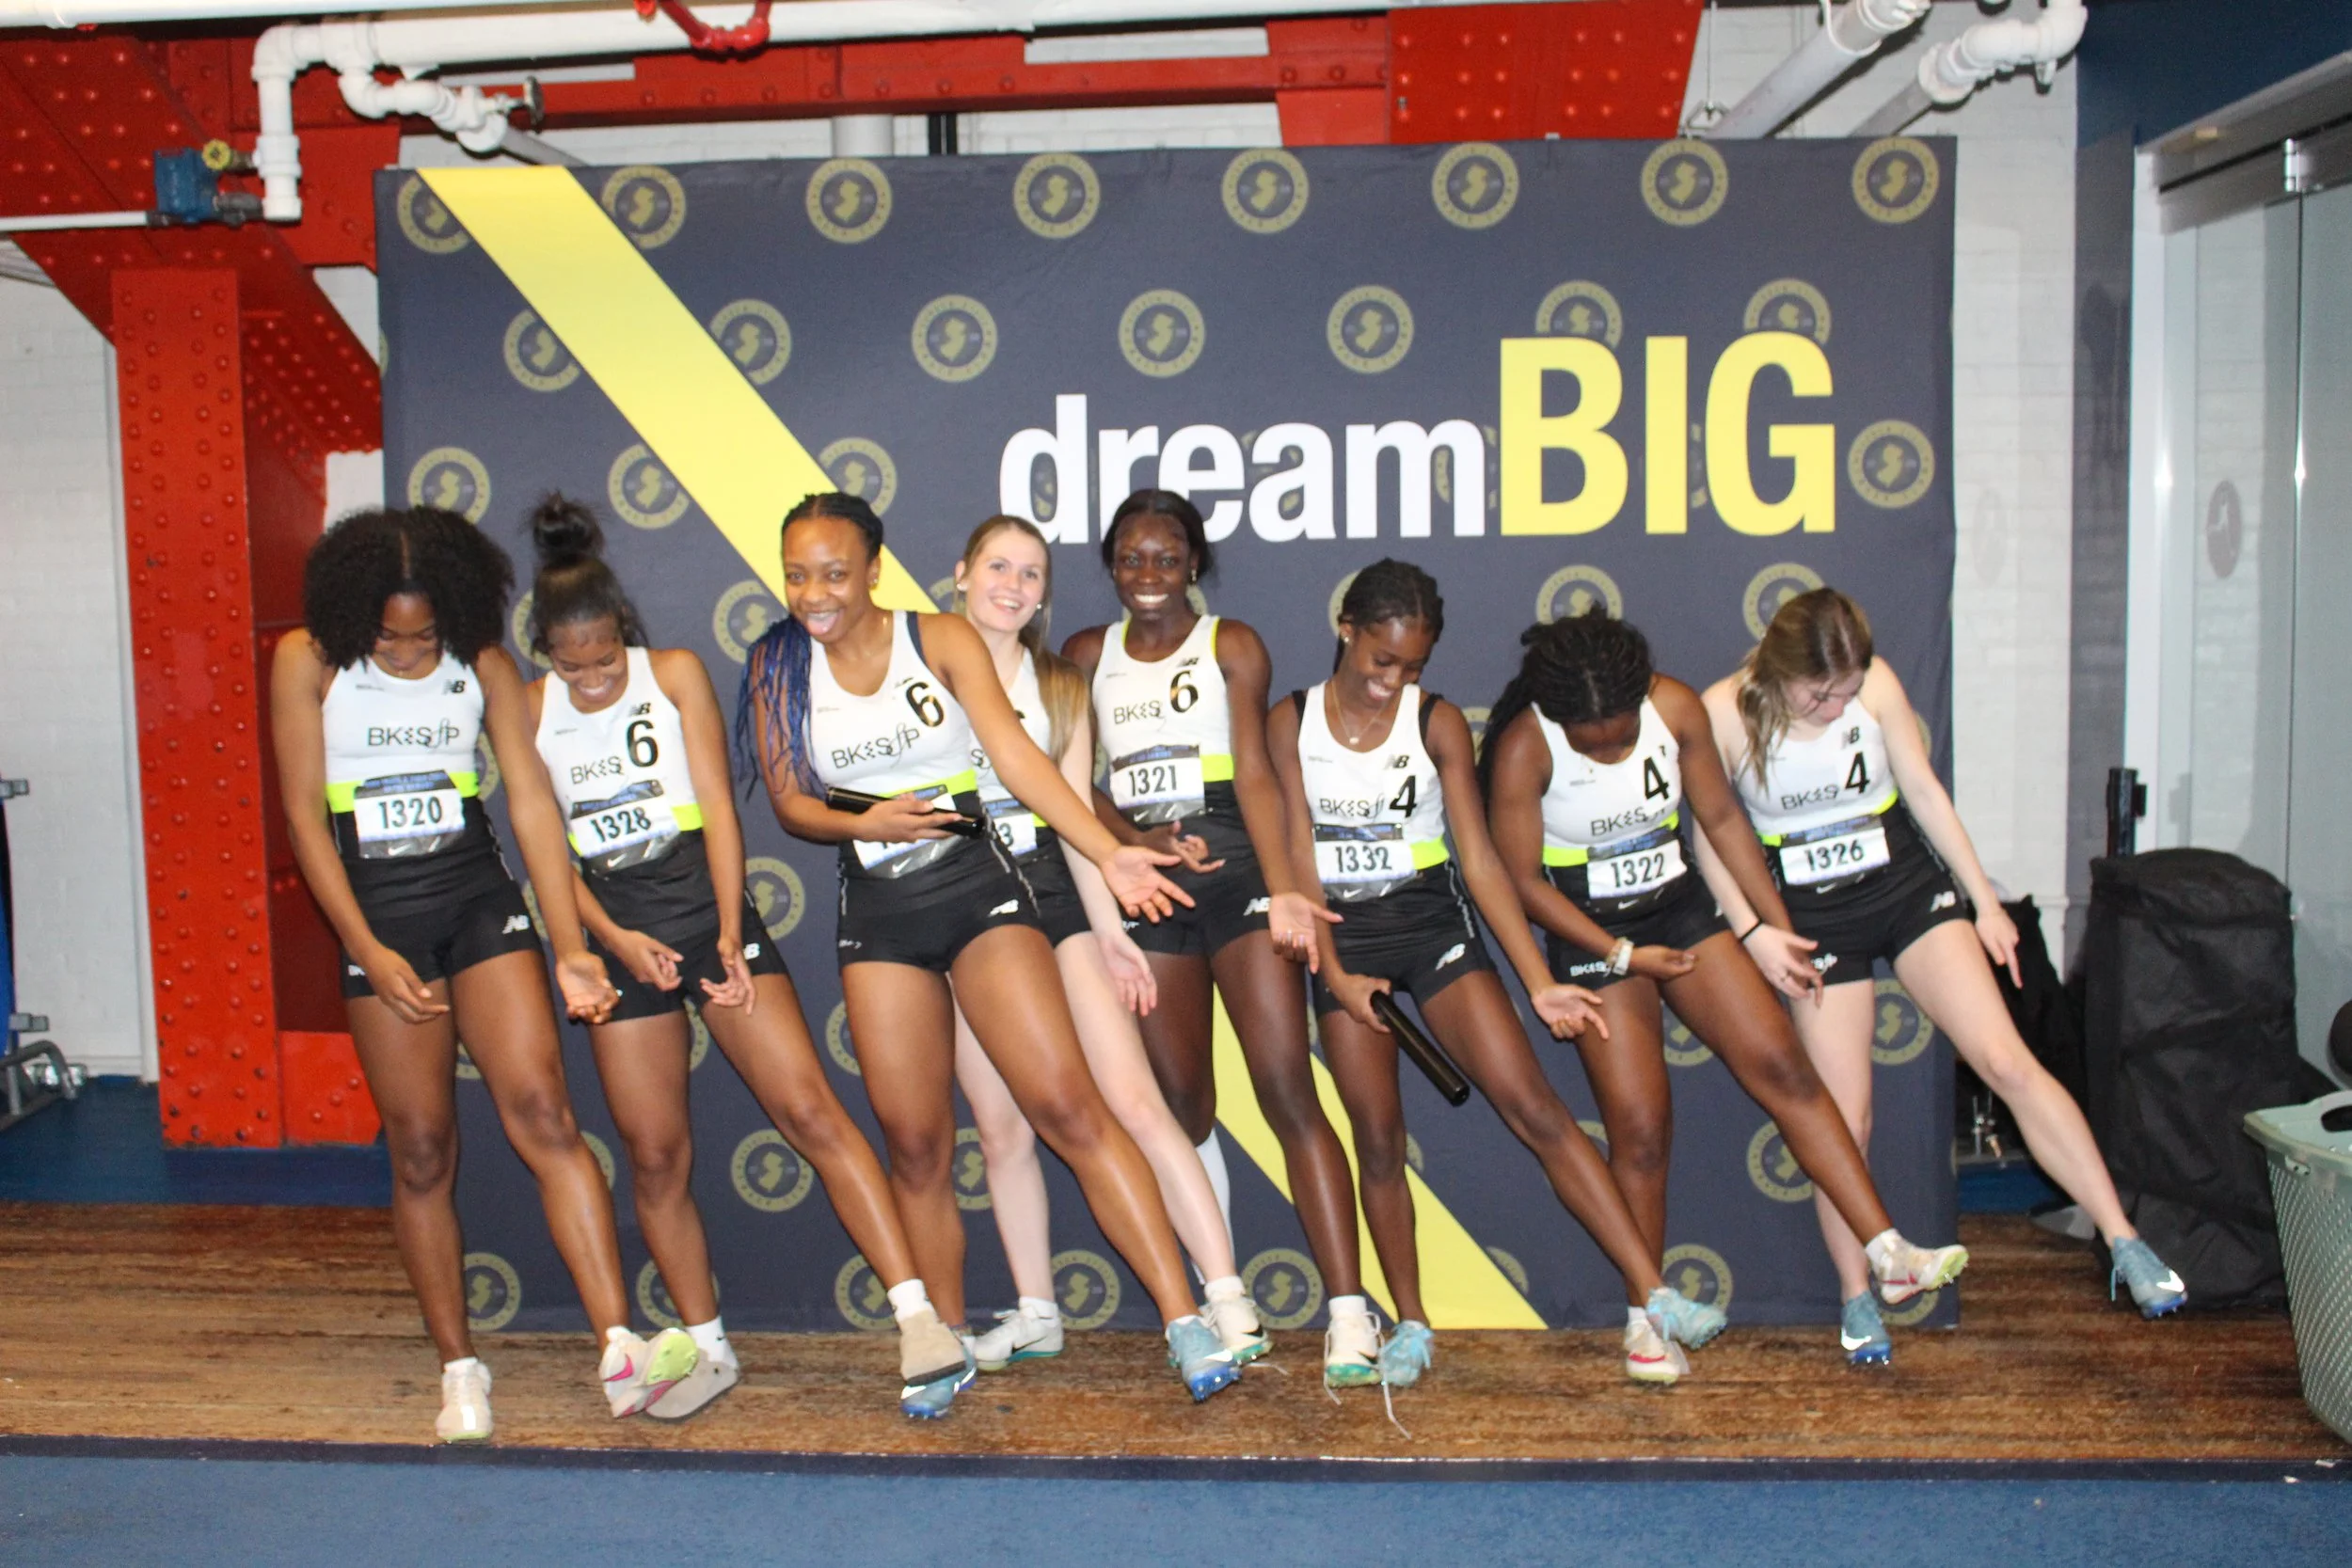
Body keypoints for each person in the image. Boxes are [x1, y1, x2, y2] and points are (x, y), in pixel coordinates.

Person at [737, 491, 1241, 1409]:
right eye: (797, 574)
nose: (814, 593)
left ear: (873, 570)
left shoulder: (938, 639)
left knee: (1067, 1106)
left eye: (835, 573)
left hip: (978, 890)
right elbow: (790, 798)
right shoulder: (779, 662)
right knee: (917, 1142)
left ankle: (1186, 1317)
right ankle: (940, 1342)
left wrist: (1107, 850)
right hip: (879, 911)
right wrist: (868, 817)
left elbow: (1015, 758)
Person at [520, 495, 971, 1419]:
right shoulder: (529, 710)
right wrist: (614, 943)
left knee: (810, 1110)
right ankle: (708, 1345)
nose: (593, 681)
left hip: (709, 917)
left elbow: (722, 808)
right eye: (573, 667)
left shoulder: (675, 672)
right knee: (655, 1155)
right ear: (547, 656)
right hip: (620, 937)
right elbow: (547, 855)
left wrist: (728, 929)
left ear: (626, 634)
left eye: (606, 661)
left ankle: (918, 1317)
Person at [269, 505, 691, 1445]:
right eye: (389, 637)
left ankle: (619, 1347)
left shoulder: (484, 664)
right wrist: (365, 946)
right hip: (378, 920)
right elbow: (303, 817)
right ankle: (460, 1367)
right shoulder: (308, 660)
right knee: (421, 1147)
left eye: (424, 636)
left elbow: (531, 805)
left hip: (476, 901)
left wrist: (570, 944)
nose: (407, 652)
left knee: (544, 1111)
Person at [1266, 561, 1729, 1386]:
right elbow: (1296, 852)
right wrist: (1334, 975)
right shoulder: (1291, 720)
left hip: (1433, 928)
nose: (1393, 681)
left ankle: (1655, 1295)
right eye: (1381, 660)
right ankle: (1410, 1322)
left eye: (1412, 666)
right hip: (1346, 940)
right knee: (1378, 1138)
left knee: (1537, 1109)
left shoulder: (1437, 721)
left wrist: (1538, 980)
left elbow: (1481, 862)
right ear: (1346, 630)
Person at [1693, 588, 2185, 1364]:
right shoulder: (1723, 710)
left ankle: (2125, 1240)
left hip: (1902, 883)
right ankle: (1858, 1295)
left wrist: (1984, 901)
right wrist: (1754, 934)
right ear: (1781, 671)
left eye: (1849, 692)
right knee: (1844, 1120)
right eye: (1820, 695)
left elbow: (1922, 790)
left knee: (2005, 1060)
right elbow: (1709, 837)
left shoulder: (1877, 683)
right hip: (1812, 914)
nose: (1837, 707)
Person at [1481, 609, 1971, 1354]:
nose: (1612, 750)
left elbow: (1721, 818)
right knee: (1641, 1127)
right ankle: (1647, 1318)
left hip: (1678, 911)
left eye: (1622, 733)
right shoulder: (1526, 747)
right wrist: (1621, 954)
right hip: (1591, 930)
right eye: (1594, 741)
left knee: (1784, 1067)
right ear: (1558, 714)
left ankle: (1888, 1249)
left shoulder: (1673, 706)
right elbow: (1522, 881)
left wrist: (1774, 922)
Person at [1063, 490, 1375, 1388]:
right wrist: (1131, 840)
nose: (1148, 574)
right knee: (1181, 1105)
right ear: (1112, 564)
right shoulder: (1085, 654)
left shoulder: (1230, 643)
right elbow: (1070, 779)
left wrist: (1284, 890)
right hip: (1150, 887)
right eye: (1131, 558)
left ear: (1193, 563)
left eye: (1166, 557)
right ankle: (1224, 1298)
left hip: (1237, 876)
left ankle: (1349, 1312)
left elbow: (1255, 773)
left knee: (1285, 1087)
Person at [943, 515, 1267, 1372]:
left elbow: (1077, 817)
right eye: (998, 567)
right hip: (961, 907)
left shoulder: (1058, 683)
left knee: (1136, 1101)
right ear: (962, 574)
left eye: (1031, 573)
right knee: (1001, 1129)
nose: (1013, 586)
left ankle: (1227, 1296)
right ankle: (1037, 1312)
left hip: (1053, 900)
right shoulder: (924, 674)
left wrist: (1113, 932)